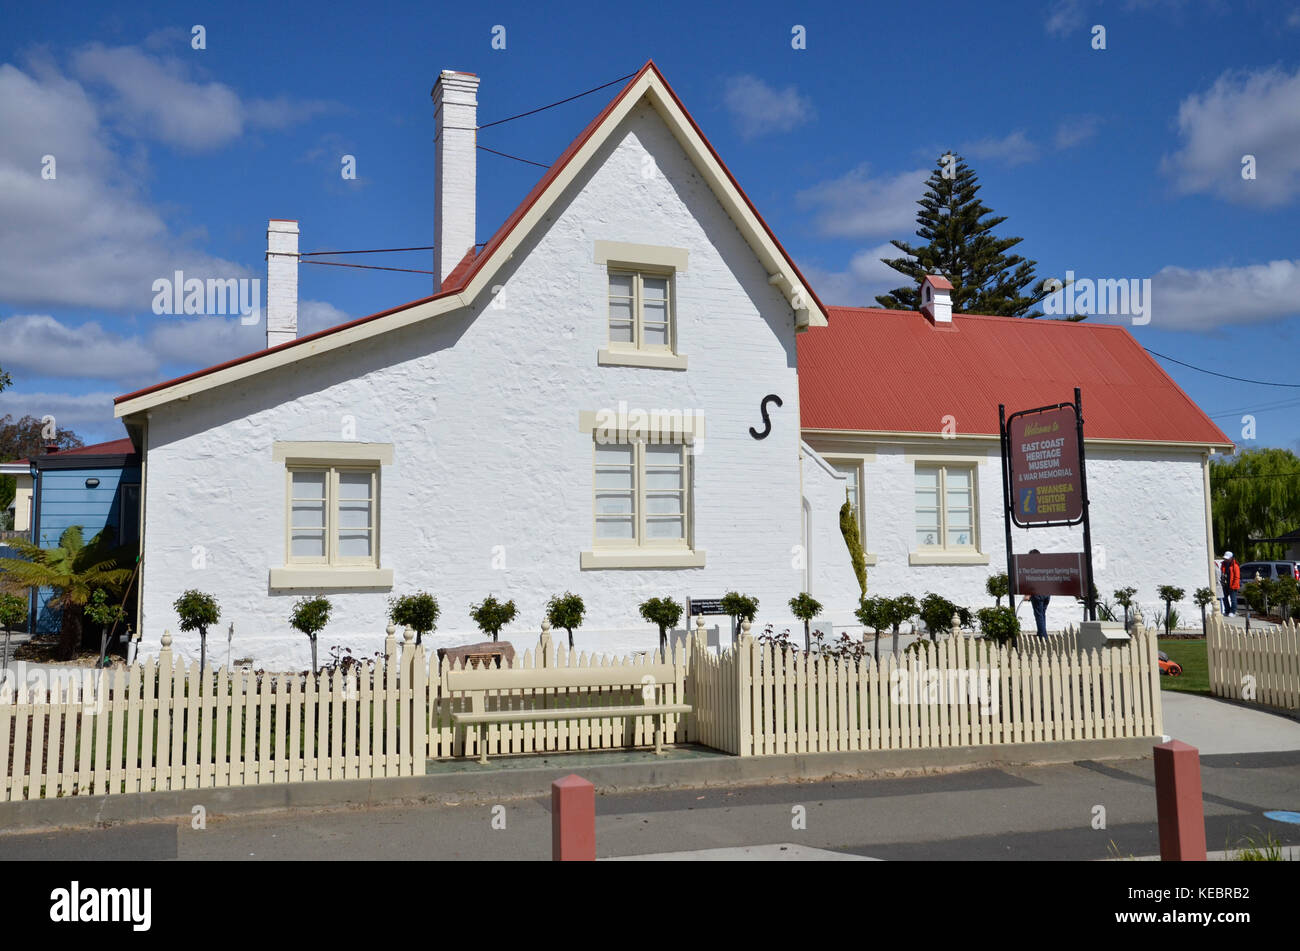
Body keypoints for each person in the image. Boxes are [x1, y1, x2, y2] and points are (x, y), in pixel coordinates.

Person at [1021, 549, 1050, 637]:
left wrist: (1027, 594)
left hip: (1037, 594)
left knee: (1039, 616)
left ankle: (1043, 637)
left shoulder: (1033, 566)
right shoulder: (1044, 565)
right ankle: (1040, 633)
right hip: (1047, 593)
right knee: (1042, 614)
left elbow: (1032, 581)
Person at [1221, 551, 1241, 616]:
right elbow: (1222, 574)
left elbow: (1237, 577)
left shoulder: (1235, 565)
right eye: (1225, 558)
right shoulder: (1223, 564)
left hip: (1232, 585)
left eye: (1227, 558)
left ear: (1231, 558)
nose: (1226, 559)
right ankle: (1227, 611)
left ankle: (1233, 611)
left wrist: (1234, 585)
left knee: (1233, 599)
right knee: (1224, 598)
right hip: (1225, 584)